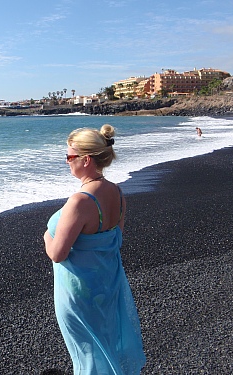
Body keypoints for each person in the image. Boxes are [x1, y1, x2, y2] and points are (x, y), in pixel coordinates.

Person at [44, 124, 146, 374]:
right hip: (106, 286)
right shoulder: (118, 193)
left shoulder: (80, 201)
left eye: (69, 156)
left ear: (86, 160)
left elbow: (58, 253)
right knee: (105, 345)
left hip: (78, 293)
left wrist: (46, 235)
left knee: (86, 354)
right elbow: (116, 239)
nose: (67, 162)